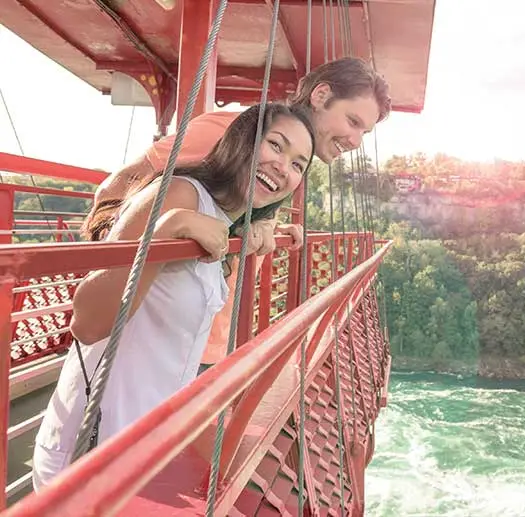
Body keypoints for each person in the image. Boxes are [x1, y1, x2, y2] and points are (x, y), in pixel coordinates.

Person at [32, 103, 316, 491]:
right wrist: (166, 228)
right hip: (90, 451)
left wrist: (262, 229)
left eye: (299, 164)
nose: (285, 167)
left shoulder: (224, 220)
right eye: (276, 145)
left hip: (144, 450)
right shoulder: (179, 193)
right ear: (241, 141)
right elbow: (87, 321)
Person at [88, 56, 392, 369]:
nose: (356, 141)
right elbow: (116, 192)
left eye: (365, 133)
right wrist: (115, 269)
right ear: (321, 95)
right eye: (353, 122)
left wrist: (262, 225)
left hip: (206, 341)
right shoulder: (231, 132)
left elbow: (219, 212)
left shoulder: (285, 168)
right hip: (148, 347)